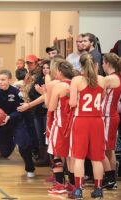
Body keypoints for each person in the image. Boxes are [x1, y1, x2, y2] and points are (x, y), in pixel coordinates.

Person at [0, 69, 35, 177]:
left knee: (23, 146)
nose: (0, 82)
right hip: (0, 124)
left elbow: (21, 109)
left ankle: (30, 169)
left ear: (9, 80)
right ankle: (14, 141)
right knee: (4, 152)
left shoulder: (16, 92)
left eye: (3, 80)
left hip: (15, 122)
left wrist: (9, 117)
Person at [68, 53, 105, 199]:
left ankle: (78, 190)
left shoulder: (76, 80)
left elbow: (72, 103)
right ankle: (98, 189)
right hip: (97, 121)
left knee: (79, 158)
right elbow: (101, 98)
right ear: (96, 65)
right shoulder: (102, 80)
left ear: (80, 65)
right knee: (97, 158)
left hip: (81, 121)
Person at [46, 61, 75, 194]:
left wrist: (46, 93)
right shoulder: (77, 84)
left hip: (60, 124)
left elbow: (51, 107)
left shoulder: (59, 86)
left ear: (61, 72)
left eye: (57, 71)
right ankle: (72, 184)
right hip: (74, 124)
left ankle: (59, 184)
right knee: (71, 156)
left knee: (57, 154)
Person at [101, 53, 121, 189]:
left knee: (101, 149)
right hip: (112, 116)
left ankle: (109, 179)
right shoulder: (118, 77)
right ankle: (111, 179)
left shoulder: (109, 78)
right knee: (110, 150)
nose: (102, 65)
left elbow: (99, 94)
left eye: (103, 63)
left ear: (107, 63)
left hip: (108, 116)